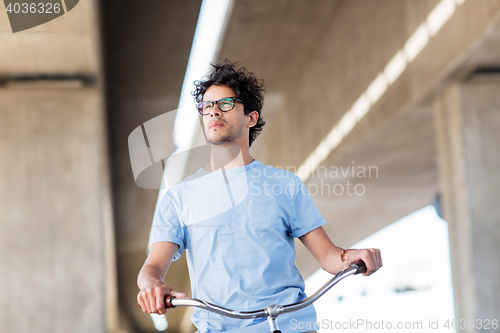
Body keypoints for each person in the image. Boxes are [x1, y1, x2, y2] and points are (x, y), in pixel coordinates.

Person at [137, 59, 383, 333]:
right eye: (207, 106)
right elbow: (152, 268)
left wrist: (350, 255)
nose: (214, 111)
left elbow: (328, 256)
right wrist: (152, 285)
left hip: (289, 325)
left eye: (226, 103)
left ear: (251, 117)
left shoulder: (284, 184)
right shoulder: (179, 196)